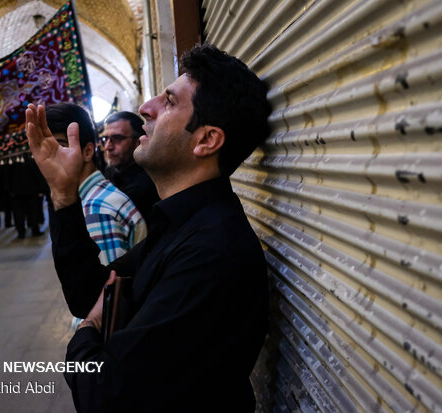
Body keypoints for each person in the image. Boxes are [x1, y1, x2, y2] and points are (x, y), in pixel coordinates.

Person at [26, 44, 272, 412]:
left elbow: (104, 395)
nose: (145, 108)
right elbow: (87, 295)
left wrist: (85, 331)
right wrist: (64, 194)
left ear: (206, 140)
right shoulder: (178, 223)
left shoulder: (211, 252)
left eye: (169, 102)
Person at [45, 102, 147, 264]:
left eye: (60, 148)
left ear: (88, 152)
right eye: (41, 150)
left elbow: (105, 286)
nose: (46, 160)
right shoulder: (93, 197)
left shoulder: (96, 209)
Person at [101, 111, 159, 220]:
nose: (108, 146)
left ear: (138, 142)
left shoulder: (147, 184)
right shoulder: (110, 171)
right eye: (105, 139)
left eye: (117, 138)